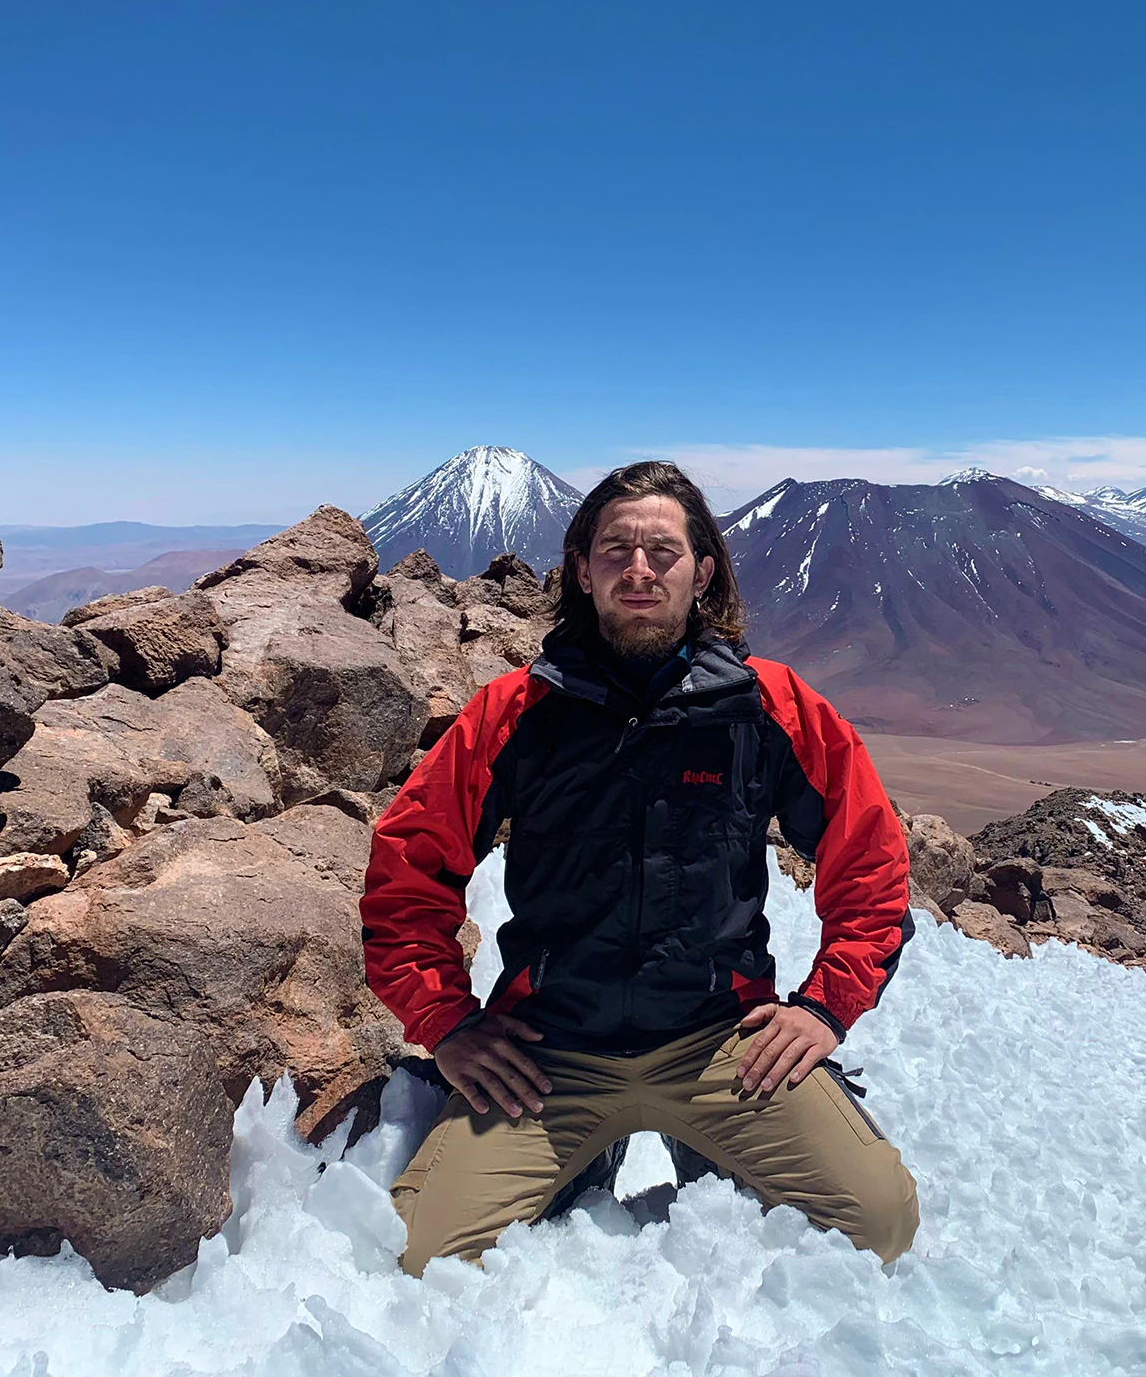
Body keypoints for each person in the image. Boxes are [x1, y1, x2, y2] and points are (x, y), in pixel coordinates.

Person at [361, 460, 920, 1272]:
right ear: (580, 573)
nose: (638, 568)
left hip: (719, 1045)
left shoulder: (768, 708)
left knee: (879, 1224)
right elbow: (407, 871)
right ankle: (587, 1150)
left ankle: (711, 1144)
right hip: (550, 1053)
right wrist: (447, 1024)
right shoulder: (516, 713)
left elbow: (868, 861)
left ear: (703, 573)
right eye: (614, 549)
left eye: (662, 549)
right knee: (420, 1253)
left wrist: (824, 1009)